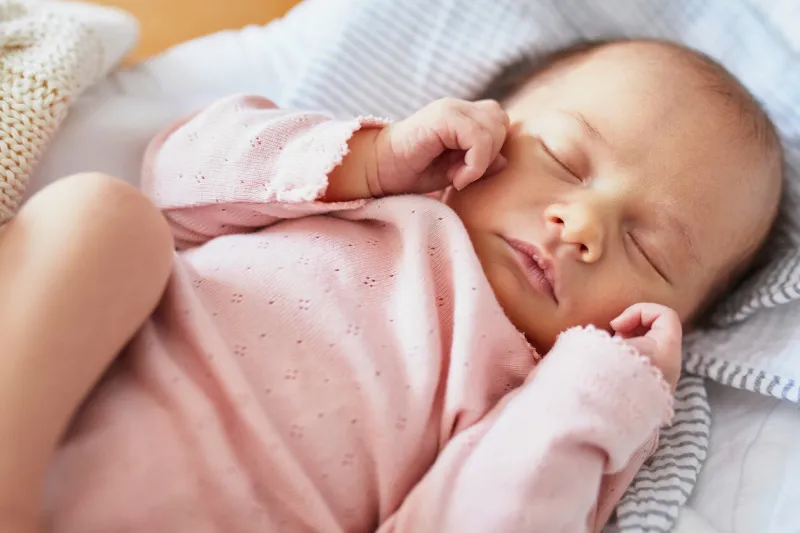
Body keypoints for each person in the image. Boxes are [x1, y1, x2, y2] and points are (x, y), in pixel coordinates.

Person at [0, 39, 782, 533]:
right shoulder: (369, 189)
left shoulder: (532, 398)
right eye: (566, 158)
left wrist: (605, 390)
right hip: (67, 389)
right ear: (484, 125)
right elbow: (177, 175)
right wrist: (372, 157)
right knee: (104, 217)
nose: (580, 223)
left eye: (649, 249)